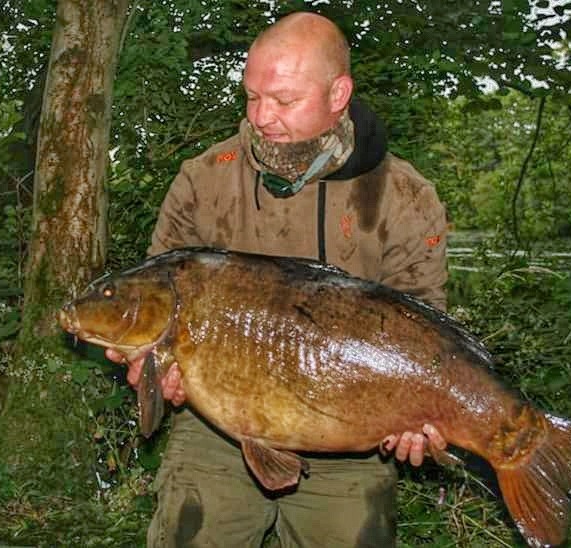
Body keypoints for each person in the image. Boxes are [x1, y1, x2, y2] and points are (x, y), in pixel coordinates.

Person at [108, 11, 450, 547]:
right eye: (251, 97)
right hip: (216, 423)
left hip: (346, 432)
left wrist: (420, 418)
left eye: (285, 101)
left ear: (339, 94)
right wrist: (154, 366)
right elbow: (157, 295)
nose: (262, 117)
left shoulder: (402, 197)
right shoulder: (205, 178)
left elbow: (426, 332)